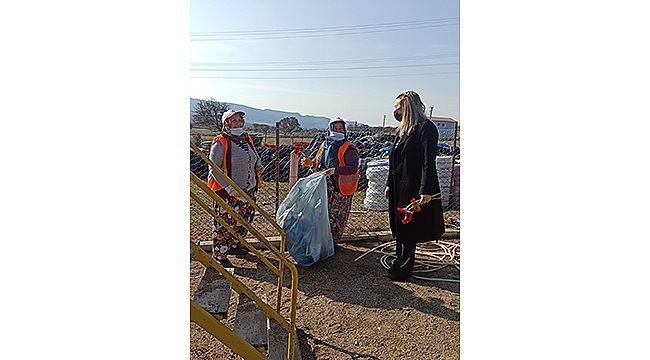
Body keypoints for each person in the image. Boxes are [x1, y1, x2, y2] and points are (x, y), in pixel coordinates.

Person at [384, 91, 445, 281]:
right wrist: (388, 183)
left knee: (409, 228)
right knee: (400, 226)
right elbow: (393, 159)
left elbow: (429, 161)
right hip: (398, 185)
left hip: (412, 186)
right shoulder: (403, 130)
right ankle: (399, 259)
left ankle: (404, 267)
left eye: (398, 107)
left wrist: (425, 189)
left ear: (408, 107)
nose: (396, 111)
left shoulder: (426, 128)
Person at [207, 109, 265, 267]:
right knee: (225, 224)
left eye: (240, 120)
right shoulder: (220, 142)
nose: (238, 123)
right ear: (226, 124)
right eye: (233, 121)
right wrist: (228, 187)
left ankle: (233, 245)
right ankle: (219, 255)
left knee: (245, 220)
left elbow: (254, 155)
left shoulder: (246, 138)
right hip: (228, 193)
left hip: (248, 189)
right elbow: (213, 169)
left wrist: (258, 166)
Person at [301, 117, 360, 244]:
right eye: (335, 128)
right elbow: (319, 164)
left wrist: (335, 170)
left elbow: (352, 168)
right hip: (324, 188)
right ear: (329, 130)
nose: (338, 131)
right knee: (322, 214)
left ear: (345, 131)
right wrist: (311, 164)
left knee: (337, 217)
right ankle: (322, 239)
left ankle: (332, 241)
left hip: (340, 190)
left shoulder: (349, 148)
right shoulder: (324, 146)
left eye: (341, 129)